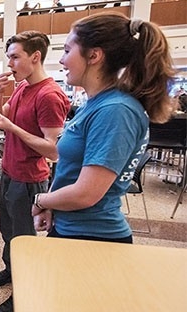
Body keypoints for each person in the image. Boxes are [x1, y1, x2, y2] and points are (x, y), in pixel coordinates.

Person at [31, 6, 174, 300]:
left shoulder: (115, 110)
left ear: (94, 55)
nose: (61, 59)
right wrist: (53, 206)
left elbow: (87, 193)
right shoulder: (100, 104)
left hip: (92, 237)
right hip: (73, 228)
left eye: (68, 49)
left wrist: (40, 199)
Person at [0, 30, 70, 312]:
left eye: (14, 57)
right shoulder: (23, 86)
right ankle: (12, 272)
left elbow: (54, 150)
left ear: (35, 57)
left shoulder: (49, 95)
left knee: (24, 239)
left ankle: (22, 292)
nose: (9, 63)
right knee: (8, 231)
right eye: (8, 57)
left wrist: (12, 129)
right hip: (10, 171)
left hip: (29, 178)